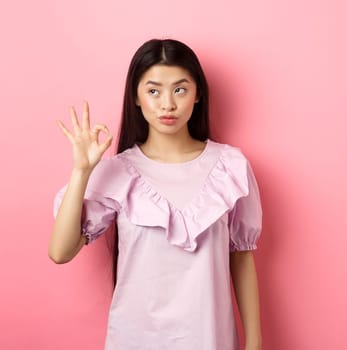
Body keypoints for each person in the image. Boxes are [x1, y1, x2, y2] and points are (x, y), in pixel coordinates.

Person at [48, 38, 263, 350]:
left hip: (210, 338)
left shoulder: (230, 167)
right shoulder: (117, 172)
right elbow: (60, 252)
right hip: (134, 339)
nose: (167, 104)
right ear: (135, 97)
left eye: (180, 89)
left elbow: (242, 256)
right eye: (153, 91)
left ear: (197, 93)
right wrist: (81, 171)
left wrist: (254, 342)